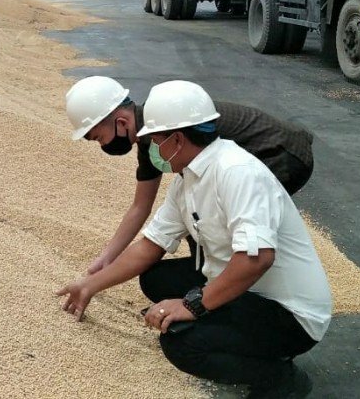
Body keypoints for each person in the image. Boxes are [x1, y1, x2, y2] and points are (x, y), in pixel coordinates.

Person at [57, 80, 332, 398]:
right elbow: (150, 245)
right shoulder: (186, 181)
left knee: (182, 343)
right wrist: (91, 284)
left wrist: (194, 305)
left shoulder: (238, 171)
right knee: (157, 278)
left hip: (288, 313)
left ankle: (280, 380)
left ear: (176, 139)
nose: (151, 150)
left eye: (153, 141)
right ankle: (232, 325)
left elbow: (256, 258)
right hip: (249, 290)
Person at [64, 75, 314, 274]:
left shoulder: (162, 125)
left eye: (99, 137)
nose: (102, 145)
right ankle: (214, 282)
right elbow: (140, 207)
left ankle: (230, 294)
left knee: (225, 225)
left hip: (282, 154)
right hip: (276, 148)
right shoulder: (149, 138)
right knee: (203, 222)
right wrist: (108, 257)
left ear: (121, 122)